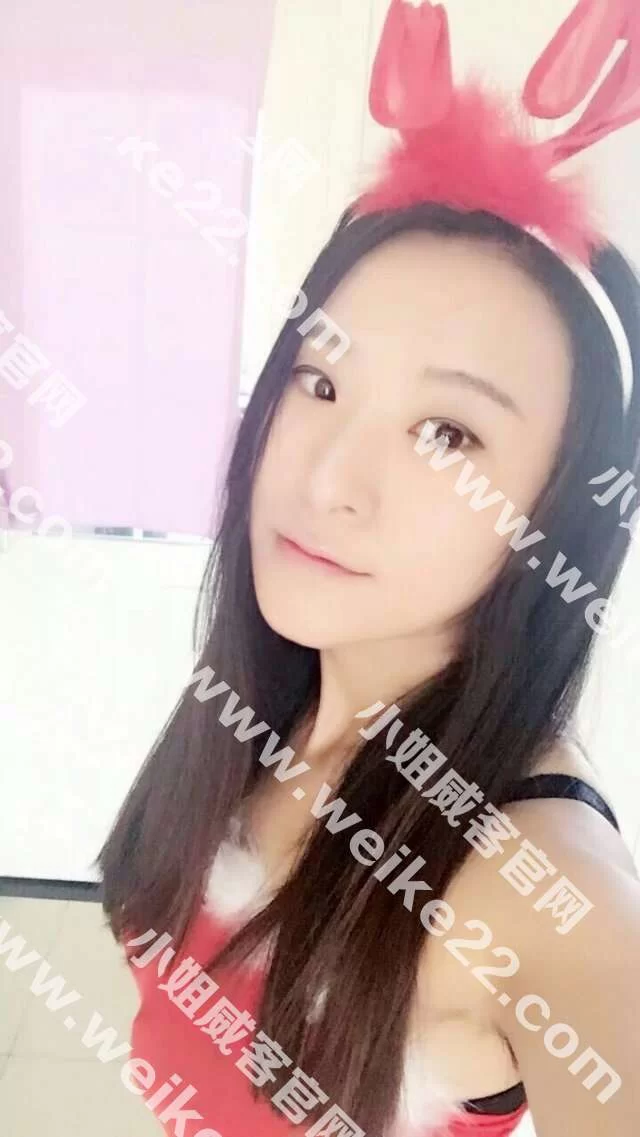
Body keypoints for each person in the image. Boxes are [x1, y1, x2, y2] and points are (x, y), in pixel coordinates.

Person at [98, 2, 640, 1134]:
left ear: (559, 514)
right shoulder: (268, 699)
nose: (329, 477)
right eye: (322, 382)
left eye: (448, 433)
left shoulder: (536, 881)